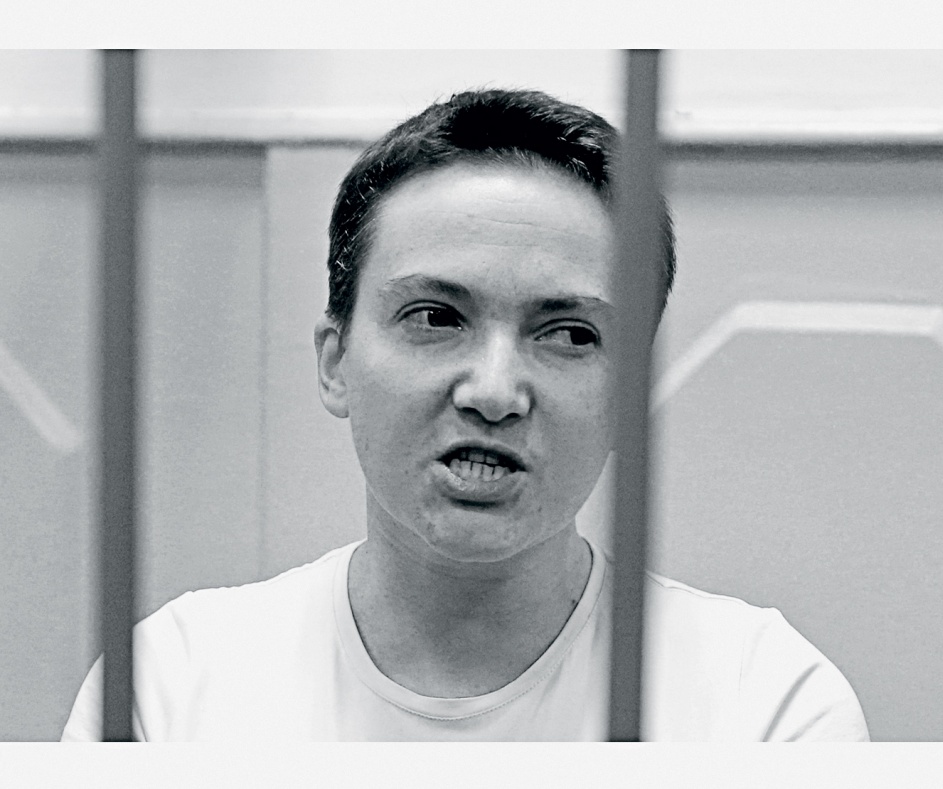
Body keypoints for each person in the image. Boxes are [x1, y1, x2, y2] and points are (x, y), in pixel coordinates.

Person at [62, 88, 869, 741]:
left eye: (569, 333)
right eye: (436, 317)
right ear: (336, 361)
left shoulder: (765, 705)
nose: (494, 390)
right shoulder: (167, 691)